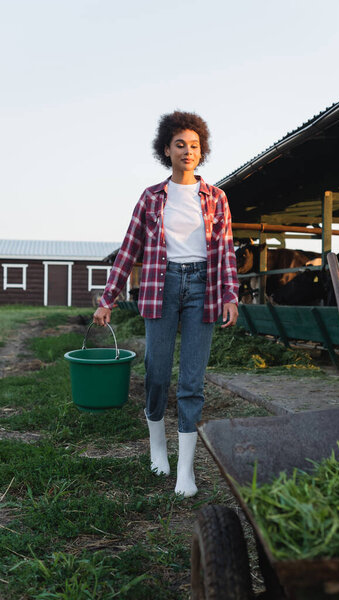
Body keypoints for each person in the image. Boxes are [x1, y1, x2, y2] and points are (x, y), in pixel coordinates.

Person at [93, 110, 239, 497]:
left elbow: (225, 251)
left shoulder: (217, 198)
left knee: (192, 381)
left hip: (203, 288)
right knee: (157, 373)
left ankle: (185, 471)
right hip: (162, 284)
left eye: (194, 145)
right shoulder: (151, 197)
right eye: (180, 145)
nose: (188, 151)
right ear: (166, 150)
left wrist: (230, 295)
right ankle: (158, 446)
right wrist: (109, 298)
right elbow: (129, 250)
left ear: (201, 151)